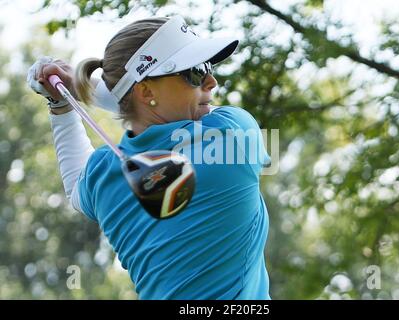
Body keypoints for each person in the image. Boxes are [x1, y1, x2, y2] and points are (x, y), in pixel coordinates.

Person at [27, 15, 271, 299]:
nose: (211, 81)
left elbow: (75, 185)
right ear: (145, 90)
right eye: (195, 72)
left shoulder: (102, 173)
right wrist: (84, 90)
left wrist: (61, 103)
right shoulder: (231, 137)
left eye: (208, 68)